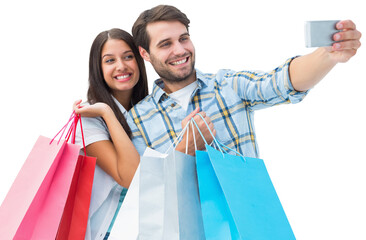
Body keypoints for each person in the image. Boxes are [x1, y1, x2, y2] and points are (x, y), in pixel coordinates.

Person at [127, 4, 362, 158]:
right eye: (166, 44)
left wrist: (328, 55)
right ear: (145, 54)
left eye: (184, 38)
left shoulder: (228, 85)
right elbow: (142, 191)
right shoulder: (136, 121)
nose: (180, 50)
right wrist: (183, 150)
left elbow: (280, 82)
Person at [73, 27, 214, 240]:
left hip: (154, 228)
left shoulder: (149, 111)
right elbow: (130, 177)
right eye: (110, 60)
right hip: (109, 231)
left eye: (128, 57)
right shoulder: (89, 119)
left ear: (140, 60)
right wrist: (107, 113)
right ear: (98, 68)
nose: (121, 66)